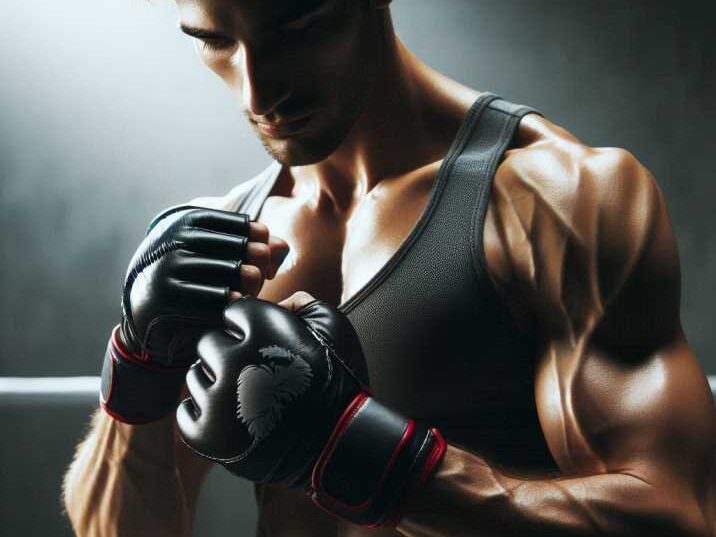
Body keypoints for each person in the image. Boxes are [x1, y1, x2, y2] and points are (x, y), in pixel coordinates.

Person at [62, 0, 716, 536]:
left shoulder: (554, 201)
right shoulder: (227, 238)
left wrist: (368, 457)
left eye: (296, 26)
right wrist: (137, 369)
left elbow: (675, 517)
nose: (258, 89)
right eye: (215, 41)